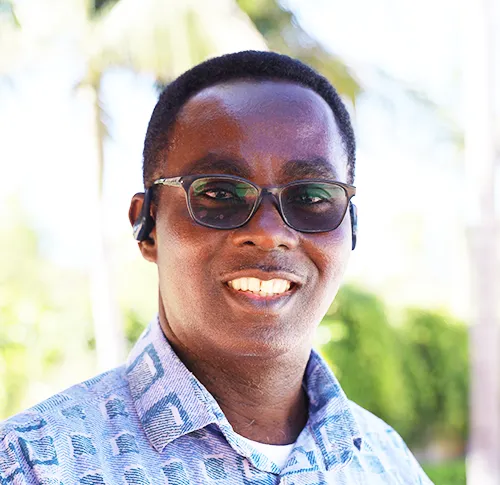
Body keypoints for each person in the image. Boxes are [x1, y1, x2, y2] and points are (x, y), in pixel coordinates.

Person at [0, 51, 433, 484]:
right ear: (147, 225)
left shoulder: (390, 464)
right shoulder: (31, 463)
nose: (269, 233)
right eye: (220, 194)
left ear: (350, 228)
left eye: (311, 197)